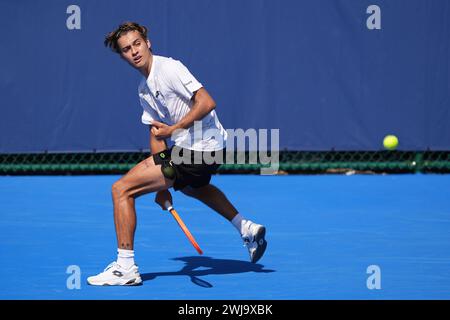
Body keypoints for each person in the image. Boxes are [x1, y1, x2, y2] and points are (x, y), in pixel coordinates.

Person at [87, 22, 267, 286]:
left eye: (137, 43)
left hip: (200, 148)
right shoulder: (143, 88)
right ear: (123, 56)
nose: (134, 51)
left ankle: (125, 267)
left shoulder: (169, 68)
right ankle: (246, 228)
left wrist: (176, 127)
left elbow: (207, 101)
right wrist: (161, 187)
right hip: (205, 152)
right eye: (127, 49)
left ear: (147, 43)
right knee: (193, 188)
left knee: (121, 189)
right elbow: (156, 133)